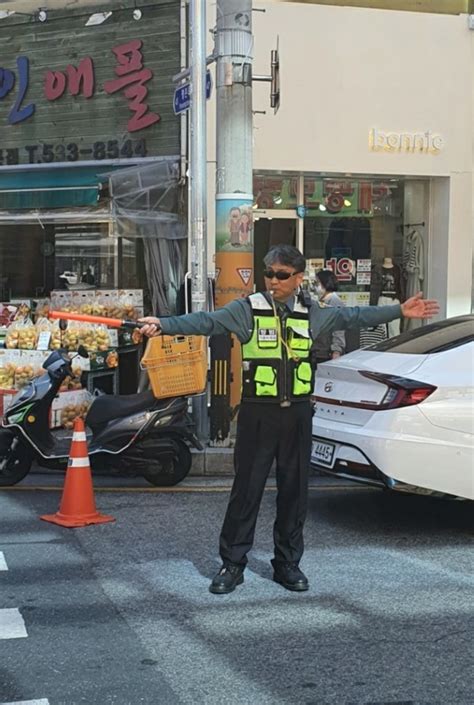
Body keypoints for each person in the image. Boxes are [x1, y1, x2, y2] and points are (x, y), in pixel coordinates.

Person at [139, 245, 439, 595]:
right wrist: (162, 324)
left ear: (298, 278)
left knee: (294, 492)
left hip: (297, 414)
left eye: (281, 275)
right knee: (246, 491)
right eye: (268, 273)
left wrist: (398, 310)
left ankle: (287, 564)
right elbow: (206, 321)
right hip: (257, 415)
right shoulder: (246, 309)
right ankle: (232, 564)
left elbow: (354, 316)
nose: (272, 280)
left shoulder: (314, 312)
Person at [311, 269, 346, 365]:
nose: (315, 286)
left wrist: (336, 351)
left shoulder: (334, 301)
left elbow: (338, 329)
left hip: (327, 353)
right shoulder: (322, 301)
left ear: (325, 283)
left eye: (317, 283)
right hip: (319, 350)